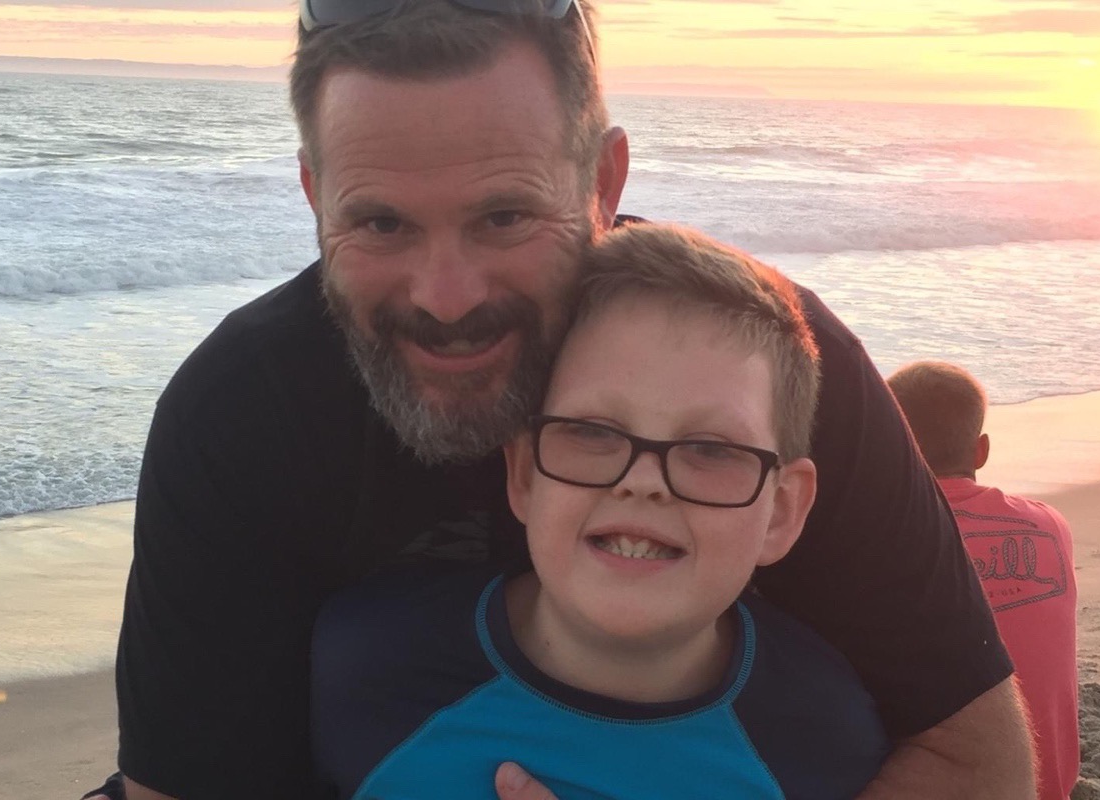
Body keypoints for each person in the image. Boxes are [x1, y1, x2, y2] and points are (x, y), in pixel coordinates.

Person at [87, 2, 1035, 799]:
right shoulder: (242, 416)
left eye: (504, 215)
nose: (445, 297)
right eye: (380, 222)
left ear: (603, 182)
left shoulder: (765, 363)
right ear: (313, 195)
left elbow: (976, 758)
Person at [311, 224, 891, 800]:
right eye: (593, 432)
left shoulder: (827, 740)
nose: (643, 482)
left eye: (710, 449)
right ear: (525, 474)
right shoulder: (364, 667)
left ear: (781, 511)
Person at [888, 361, 1079, 800]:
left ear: (890, 444)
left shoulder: (874, 539)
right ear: (981, 451)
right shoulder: (1050, 525)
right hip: (1048, 787)